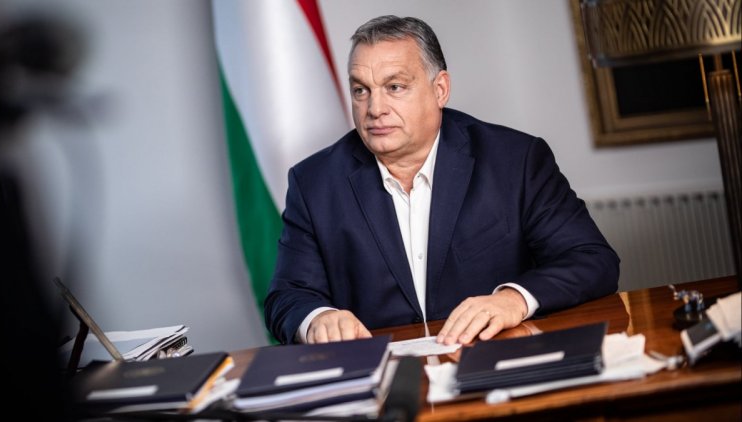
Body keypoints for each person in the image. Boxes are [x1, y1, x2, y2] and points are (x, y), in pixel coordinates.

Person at [264, 15, 619, 345]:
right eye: (361, 90)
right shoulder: (315, 183)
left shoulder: (515, 161)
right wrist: (317, 318)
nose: (375, 109)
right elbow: (287, 296)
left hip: (494, 357)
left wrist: (514, 299)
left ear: (440, 89)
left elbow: (592, 259)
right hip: (384, 375)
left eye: (394, 87)